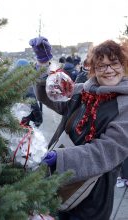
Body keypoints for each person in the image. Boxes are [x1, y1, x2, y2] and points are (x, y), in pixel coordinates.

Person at [35, 40, 128, 220]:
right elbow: (51, 95)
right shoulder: (82, 92)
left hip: (92, 195)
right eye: (101, 65)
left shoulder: (125, 105)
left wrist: (59, 158)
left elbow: (108, 150)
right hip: (58, 182)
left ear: (123, 65)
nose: (108, 70)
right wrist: (43, 64)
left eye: (114, 63)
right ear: (93, 69)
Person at [15, 59, 43, 127]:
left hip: (14, 115)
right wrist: (39, 118)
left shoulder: (13, 80)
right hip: (24, 115)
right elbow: (33, 101)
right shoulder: (25, 82)